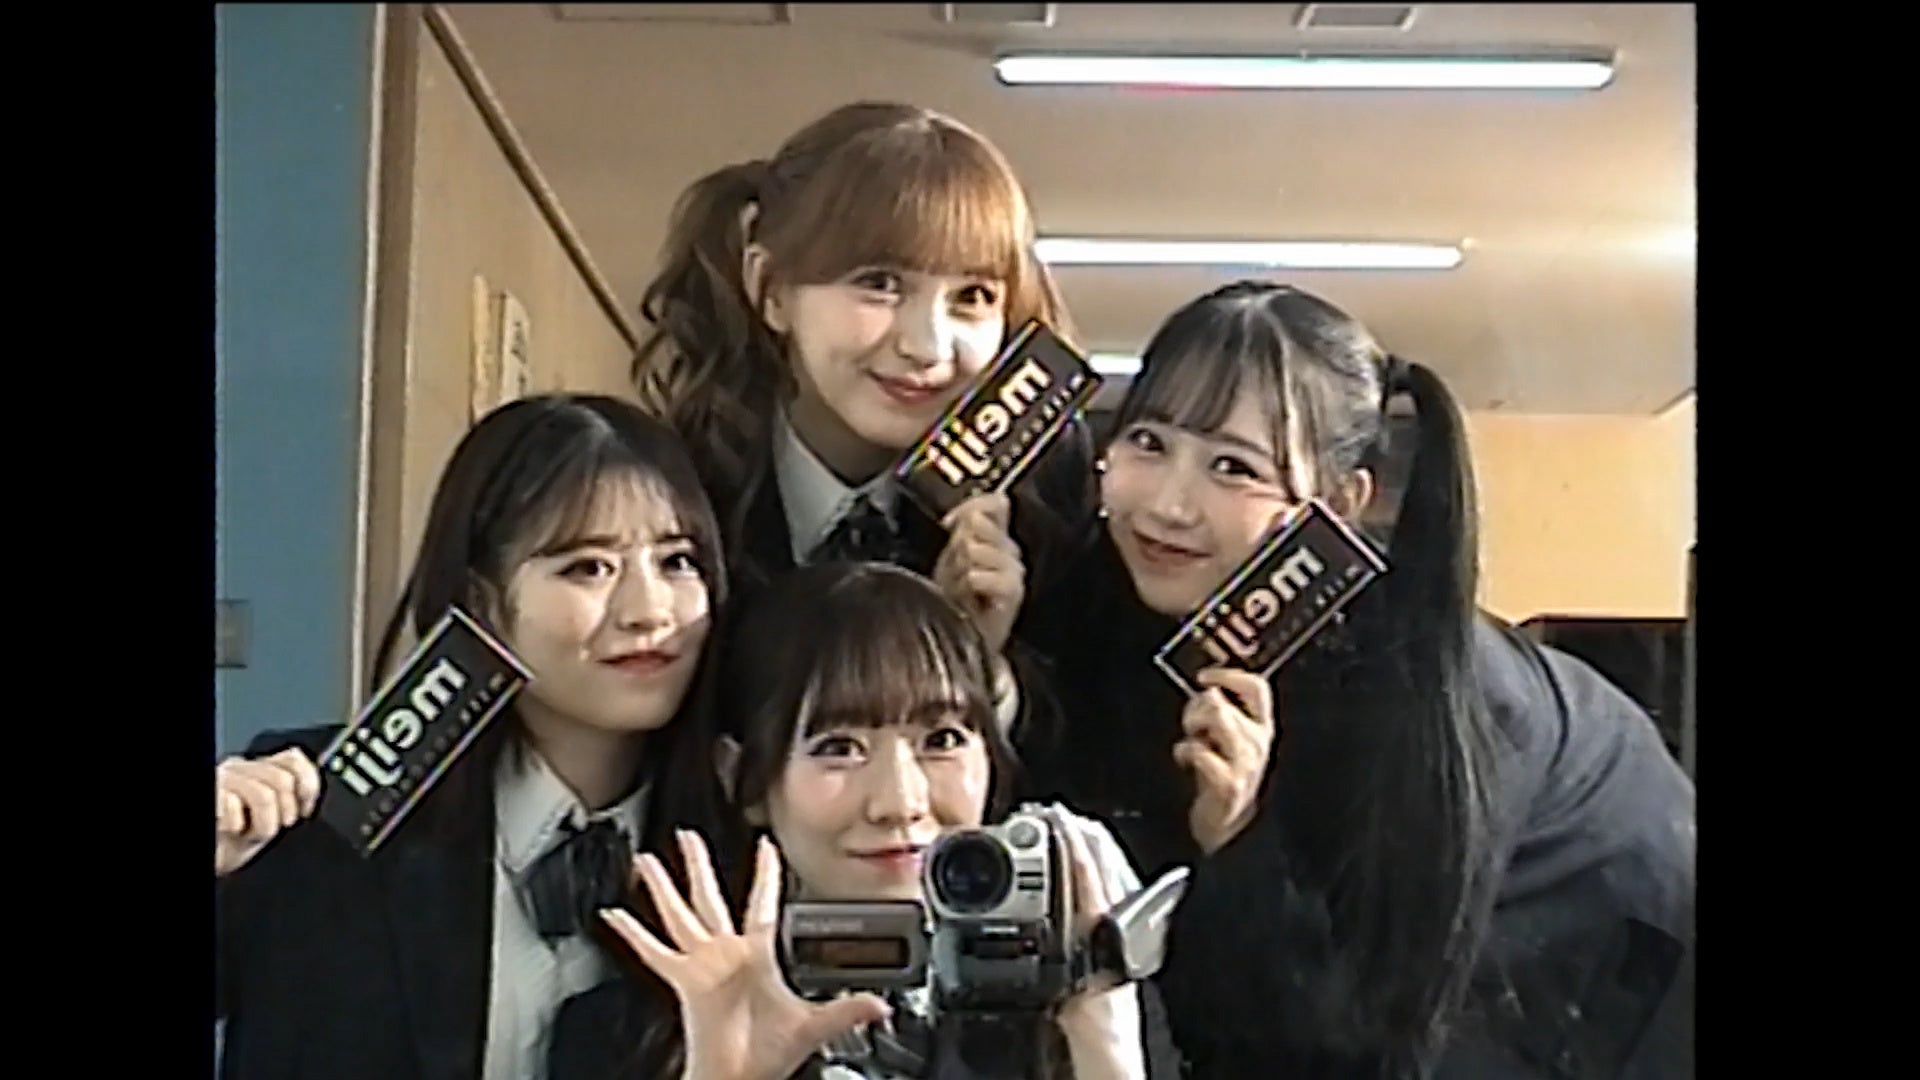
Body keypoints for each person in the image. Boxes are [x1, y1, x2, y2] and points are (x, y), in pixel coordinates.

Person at [1010, 281, 1697, 1077]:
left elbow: (1356, 1047)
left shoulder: (1418, 698)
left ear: (1337, 503)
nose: (1168, 505)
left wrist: (1239, 842)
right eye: (1148, 442)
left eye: (1233, 468)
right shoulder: (1128, 602)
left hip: (1609, 974)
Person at [214, 394, 733, 1080]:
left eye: (678, 561)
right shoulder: (320, 813)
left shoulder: (741, 850)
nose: (650, 611)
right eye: (588, 567)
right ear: (482, 599)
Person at [549, 562, 1166, 1079]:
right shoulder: (625, 1034)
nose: (899, 801)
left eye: (942, 739)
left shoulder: (1074, 999)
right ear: (744, 779)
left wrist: (1103, 1043)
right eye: (839, 748)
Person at [630, 100, 1095, 677]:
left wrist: (980, 668)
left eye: (972, 297)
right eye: (880, 284)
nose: (928, 347)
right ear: (770, 288)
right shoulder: (672, 499)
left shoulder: (1044, 502)